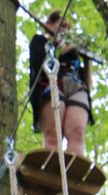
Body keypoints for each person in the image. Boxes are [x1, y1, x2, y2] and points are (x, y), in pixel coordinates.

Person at [29, 10, 94, 157]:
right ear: (50, 25)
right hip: (50, 84)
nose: (65, 30)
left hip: (76, 86)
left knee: (77, 134)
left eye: (68, 28)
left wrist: (87, 60)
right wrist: (66, 47)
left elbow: (87, 83)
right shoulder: (39, 42)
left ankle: (74, 173)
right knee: (53, 136)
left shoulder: (74, 51)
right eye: (62, 26)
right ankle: (52, 171)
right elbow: (43, 65)